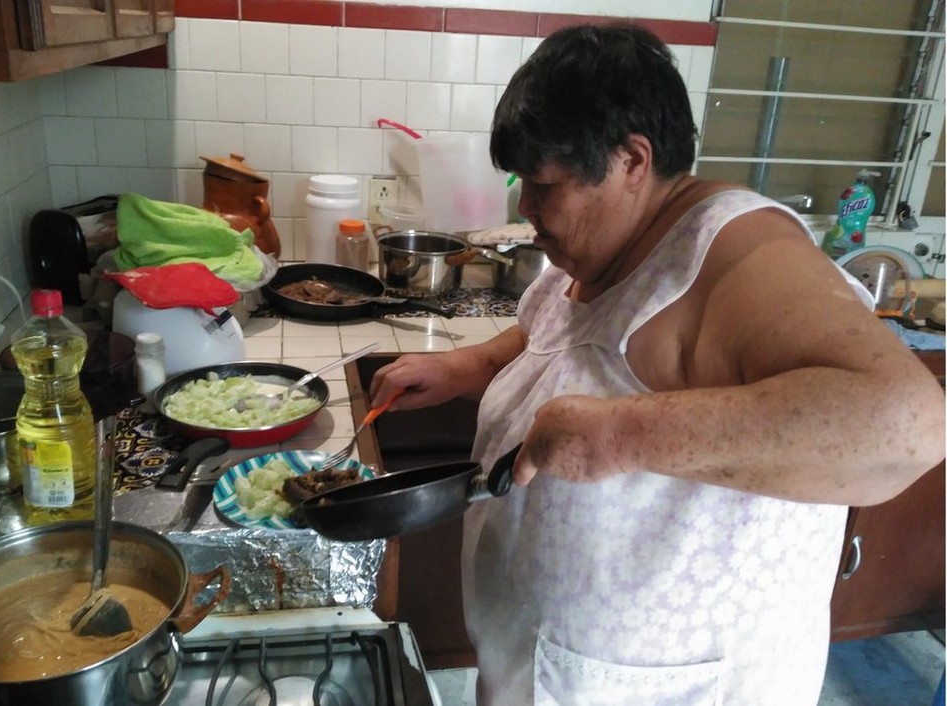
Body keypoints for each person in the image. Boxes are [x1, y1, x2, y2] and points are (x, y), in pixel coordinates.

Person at [370, 22, 946, 706]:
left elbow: (905, 426)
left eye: (543, 185)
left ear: (631, 161)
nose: (525, 208)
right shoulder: (601, 244)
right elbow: (559, 338)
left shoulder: (734, 251)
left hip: (670, 685)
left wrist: (621, 435)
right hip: (553, 669)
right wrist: (469, 367)